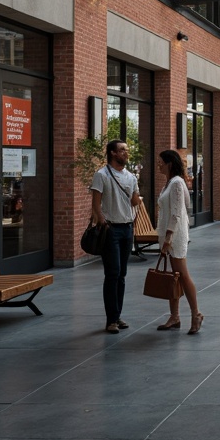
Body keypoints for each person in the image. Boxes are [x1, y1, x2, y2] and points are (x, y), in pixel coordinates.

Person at [90, 139, 142, 334]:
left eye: (127, 150)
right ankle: (111, 319)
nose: (126, 153)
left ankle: (117, 315)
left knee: (121, 275)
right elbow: (96, 204)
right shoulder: (101, 175)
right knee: (112, 273)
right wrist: (104, 223)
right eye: (122, 150)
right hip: (111, 229)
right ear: (112, 153)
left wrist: (137, 194)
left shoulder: (131, 176)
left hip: (127, 229)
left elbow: (135, 201)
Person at [155, 150, 202, 334]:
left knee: (182, 274)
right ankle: (174, 316)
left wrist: (168, 238)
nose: (158, 164)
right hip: (169, 234)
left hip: (174, 236)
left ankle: (196, 314)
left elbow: (176, 213)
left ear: (169, 164)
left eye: (160, 162)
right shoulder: (170, 183)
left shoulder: (176, 183)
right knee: (174, 276)